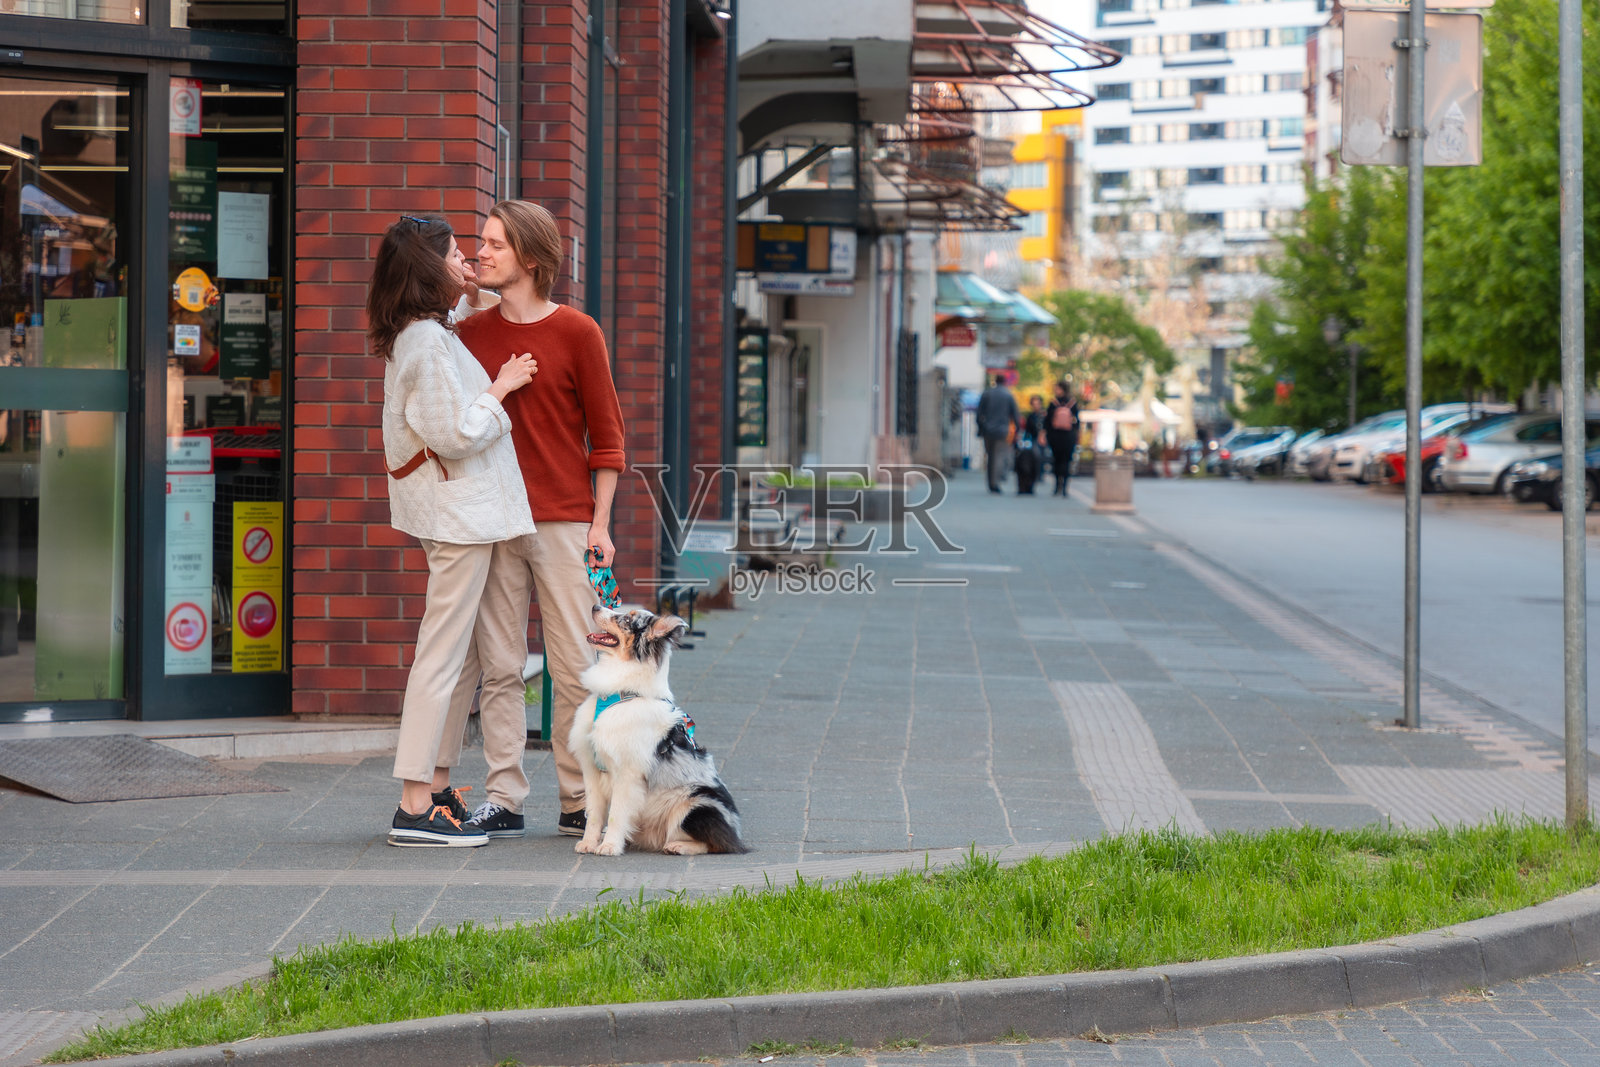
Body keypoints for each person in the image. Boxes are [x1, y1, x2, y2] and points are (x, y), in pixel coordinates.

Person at [442, 200, 627, 841]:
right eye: (480, 242)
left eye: (494, 244)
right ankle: (505, 794)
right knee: (498, 664)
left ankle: (578, 797)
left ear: (531, 257)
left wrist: (599, 526)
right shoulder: (468, 336)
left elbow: (607, 442)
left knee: (575, 664)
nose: (481, 252)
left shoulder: (578, 333)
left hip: (563, 521)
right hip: (491, 522)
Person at [372, 214, 538, 847]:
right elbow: (455, 434)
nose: (469, 262)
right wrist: (502, 388)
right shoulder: (425, 343)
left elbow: (473, 315)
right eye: (458, 256)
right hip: (458, 515)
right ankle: (415, 805)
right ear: (427, 266)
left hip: (457, 512)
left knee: (454, 656)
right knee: (440, 658)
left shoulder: (425, 333)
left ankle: (433, 790)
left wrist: (472, 289)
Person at [975, 372, 1018, 494]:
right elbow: (1015, 414)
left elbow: (979, 414)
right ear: (1004, 382)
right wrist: (1018, 430)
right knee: (999, 456)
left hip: (988, 430)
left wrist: (981, 426)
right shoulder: (1008, 395)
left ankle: (990, 482)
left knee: (990, 456)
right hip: (1002, 430)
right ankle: (996, 483)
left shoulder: (987, 393)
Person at [1045, 382, 1080, 498]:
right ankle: (1065, 487)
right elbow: (1077, 422)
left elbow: (1047, 421)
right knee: (1067, 461)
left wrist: (1047, 435)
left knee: (1056, 460)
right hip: (1068, 437)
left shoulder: (1053, 403)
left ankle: (1056, 487)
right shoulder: (1072, 403)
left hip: (1055, 436)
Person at [1015, 395, 1045, 495]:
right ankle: (1027, 484)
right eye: (1034, 404)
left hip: (1041, 441)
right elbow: (1027, 431)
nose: (1036, 406)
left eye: (1037, 404)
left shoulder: (1044, 415)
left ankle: (1038, 475)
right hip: (1032, 441)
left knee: (1038, 458)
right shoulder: (1031, 416)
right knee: (1031, 458)